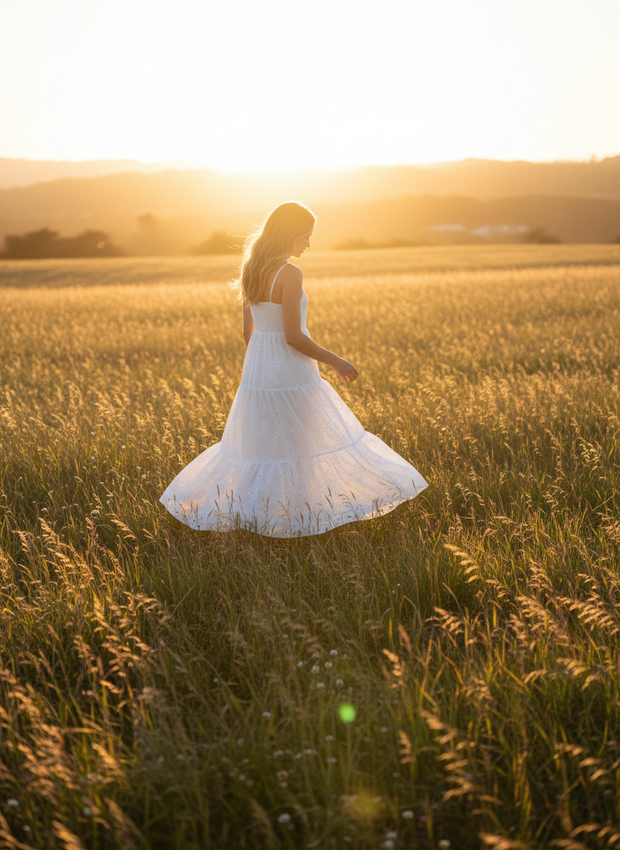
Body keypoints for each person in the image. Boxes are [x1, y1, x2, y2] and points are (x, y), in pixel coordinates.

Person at [159, 201, 427, 537]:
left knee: (261, 447)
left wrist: (262, 366)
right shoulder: (290, 273)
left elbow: (248, 333)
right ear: (290, 234)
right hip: (290, 369)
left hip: (257, 369)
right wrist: (335, 360)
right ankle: (296, 522)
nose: (308, 244)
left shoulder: (251, 268)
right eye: (306, 236)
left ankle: (262, 520)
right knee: (303, 443)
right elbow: (292, 336)